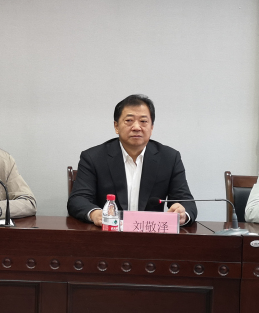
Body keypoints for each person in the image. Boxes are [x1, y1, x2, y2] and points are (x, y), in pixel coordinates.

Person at [67, 94, 196, 226]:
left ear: (151, 127)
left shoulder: (169, 158)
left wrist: (182, 214)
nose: (136, 127)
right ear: (116, 126)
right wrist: (95, 214)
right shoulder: (93, 157)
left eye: (143, 121)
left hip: (151, 234)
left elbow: (187, 202)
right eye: (129, 120)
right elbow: (78, 199)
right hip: (108, 233)